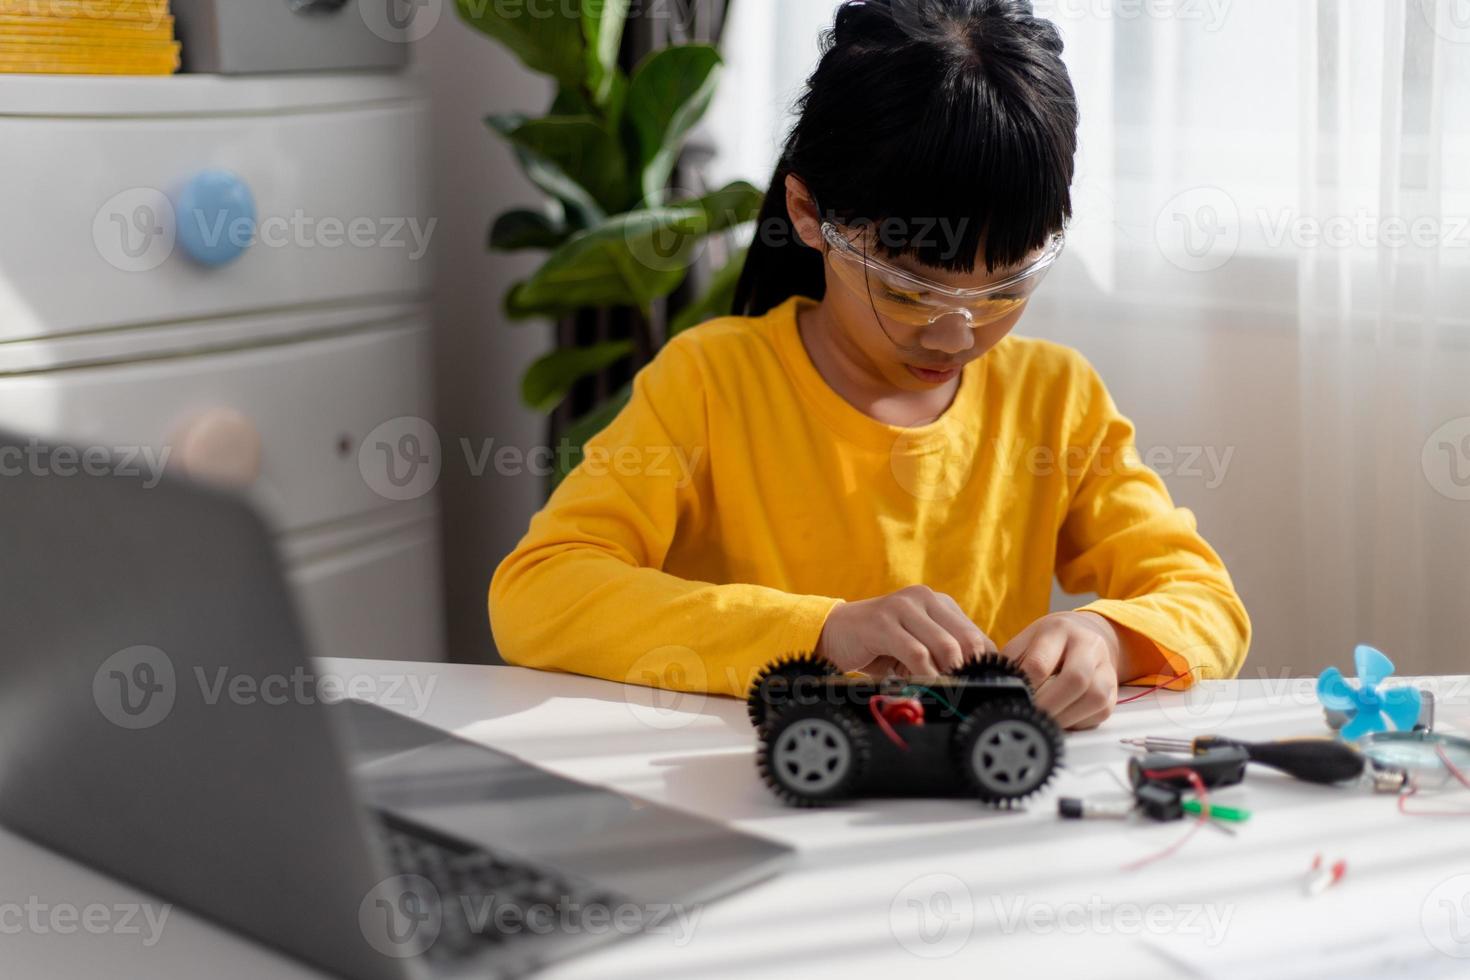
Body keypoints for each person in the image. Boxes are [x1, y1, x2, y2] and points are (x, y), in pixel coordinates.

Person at [490, 0, 1249, 730]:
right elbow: (536, 594)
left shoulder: (1055, 398)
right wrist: (819, 631)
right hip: (763, 796)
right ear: (808, 215)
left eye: (1006, 287)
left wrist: (1110, 640)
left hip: (982, 813)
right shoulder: (711, 383)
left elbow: (1206, 600)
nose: (954, 338)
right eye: (908, 291)